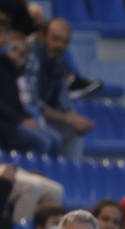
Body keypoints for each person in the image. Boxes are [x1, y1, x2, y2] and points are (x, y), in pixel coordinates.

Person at [0, 10, 57, 155]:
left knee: (56, 139)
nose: (4, 38)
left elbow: (16, 99)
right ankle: (31, 175)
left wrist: (27, 117)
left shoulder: (7, 62)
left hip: (16, 120)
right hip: (1, 124)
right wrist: (20, 120)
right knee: (42, 142)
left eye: (6, 33)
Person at [30, 19, 92, 160]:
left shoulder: (59, 61)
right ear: (43, 37)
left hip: (45, 118)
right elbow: (34, 104)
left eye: (65, 42)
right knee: (50, 138)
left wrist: (75, 118)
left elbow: (63, 97)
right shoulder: (31, 57)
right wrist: (68, 118)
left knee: (74, 132)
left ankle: (71, 174)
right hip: (27, 117)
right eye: (56, 39)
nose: (60, 45)